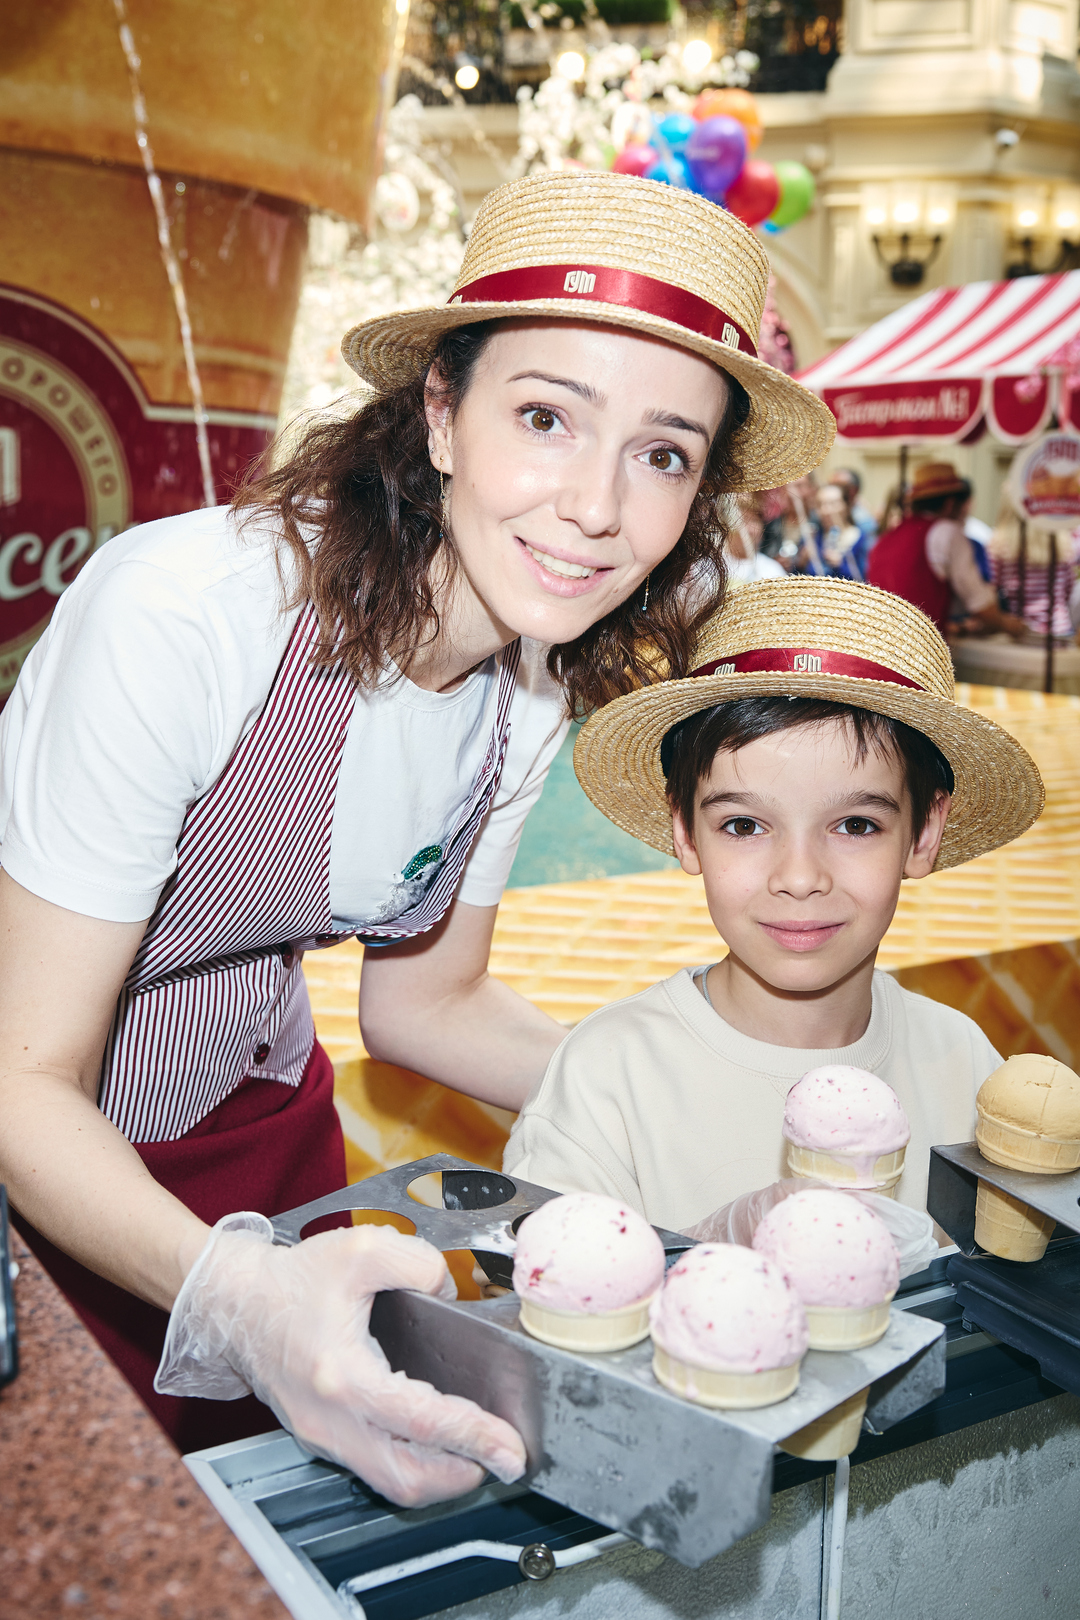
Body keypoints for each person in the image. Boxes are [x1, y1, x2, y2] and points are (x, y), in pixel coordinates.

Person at [0, 169, 834, 1501]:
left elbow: (424, 1007)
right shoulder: (184, 621)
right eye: (547, 417)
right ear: (440, 413)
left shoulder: (534, 676)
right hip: (51, 1182)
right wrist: (241, 1297)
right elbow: (21, 1082)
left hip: (262, 1137)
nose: (598, 509)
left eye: (663, 452)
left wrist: (702, 1114)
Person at [504, 577, 1044, 1234]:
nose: (798, 877)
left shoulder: (961, 1060)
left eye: (855, 826)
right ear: (685, 830)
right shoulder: (607, 1078)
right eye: (744, 826)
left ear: (924, 834)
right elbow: (539, 1304)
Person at [867, 461, 1026, 637]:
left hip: (882, 646)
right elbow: (978, 601)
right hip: (921, 651)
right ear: (950, 504)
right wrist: (1010, 626)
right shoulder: (947, 532)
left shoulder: (885, 539)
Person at [811, 481, 867, 581]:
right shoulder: (813, 538)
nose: (825, 510)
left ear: (846, 506)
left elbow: (865, 578)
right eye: (820, 505)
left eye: (833, 504)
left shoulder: (862, 539)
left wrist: (841, 565)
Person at [725, 495, 787, 584]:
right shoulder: (711, 567)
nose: (750, 530)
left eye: (754, 521)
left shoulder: (772, 570)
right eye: (743, 520)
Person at [831, 466, 878, 553]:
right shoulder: (828, 513)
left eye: (839, 486)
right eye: (831, 485)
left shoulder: (864, 520)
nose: (832, 490)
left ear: (853, 490)